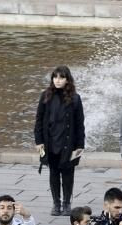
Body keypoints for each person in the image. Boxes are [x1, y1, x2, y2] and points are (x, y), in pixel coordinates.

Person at [34, 66, 86, 215]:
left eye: (61, 77)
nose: (58, 80)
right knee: (54, 173)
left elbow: (79, 123)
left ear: (67, 79)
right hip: (51, 142)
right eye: (55, 77)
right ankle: (56, 203)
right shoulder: (45, 96)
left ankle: (67, 203)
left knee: (68, 174)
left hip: (68, 143)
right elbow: (39, 120)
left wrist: (80, 145)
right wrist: (39, 141)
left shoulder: (75, 98)